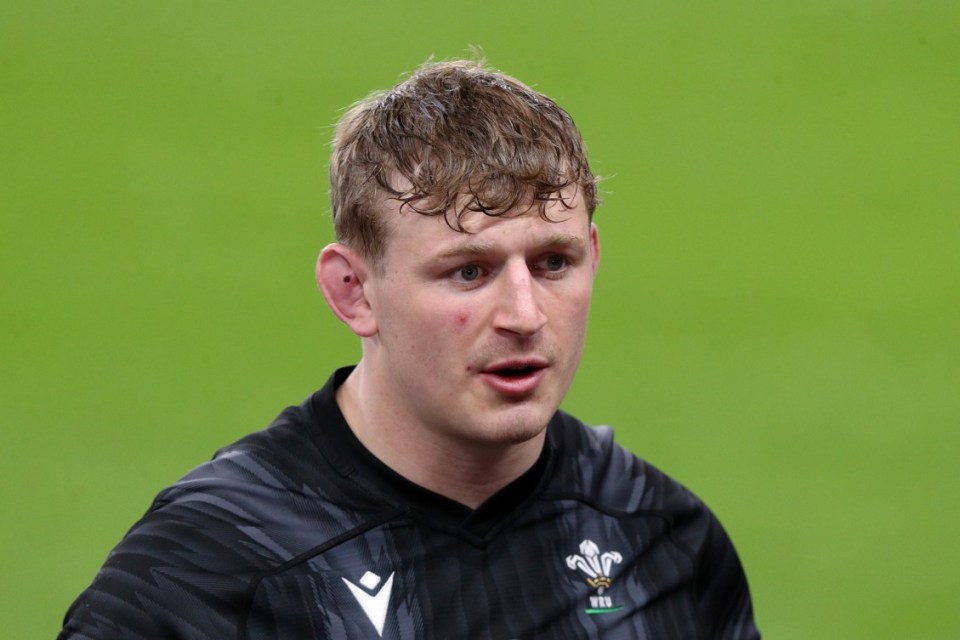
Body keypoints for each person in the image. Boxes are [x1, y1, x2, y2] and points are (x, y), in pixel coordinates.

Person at [60, 59, 760, 639]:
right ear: (353, 291)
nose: (524, 315)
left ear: (594, 257)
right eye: (468, 272)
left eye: (553, 263)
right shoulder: (209, 571)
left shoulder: (660, 539)